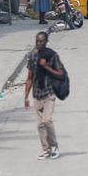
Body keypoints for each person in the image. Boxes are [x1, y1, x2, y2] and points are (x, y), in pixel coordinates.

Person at [24, 31, 64, 159]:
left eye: (41, 41)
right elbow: (29, 77)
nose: (39, 43)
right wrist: (26, 97)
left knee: (47, 120)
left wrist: (46, 66)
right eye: (37, 41)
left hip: (49, 93)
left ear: (46, 42)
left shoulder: (52, 56)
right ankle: (46, 149)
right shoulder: (32, 56)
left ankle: (54, 146)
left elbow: (60, 74)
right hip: (37, 94)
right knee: (40, 124)